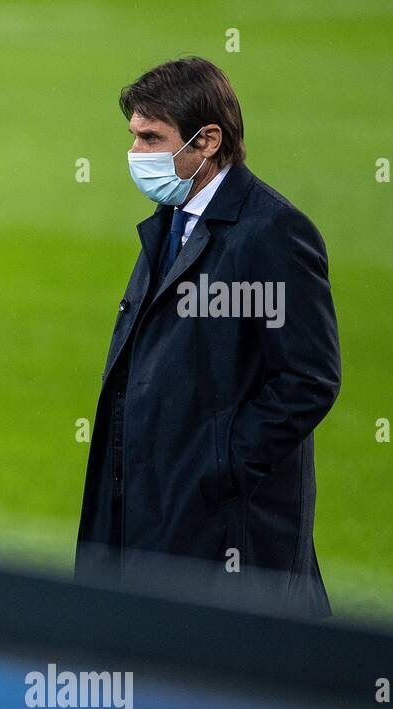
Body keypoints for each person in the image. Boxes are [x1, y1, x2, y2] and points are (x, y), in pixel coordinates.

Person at [75, 57, 341, 617]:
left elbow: (307, 378)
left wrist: (217, 464)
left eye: (151, 138)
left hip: (227, 531)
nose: (136, 154)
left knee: (236, 690)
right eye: (134, 137)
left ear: (207, 140)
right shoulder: (171, 220)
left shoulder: (272, 233)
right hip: (156, 507)